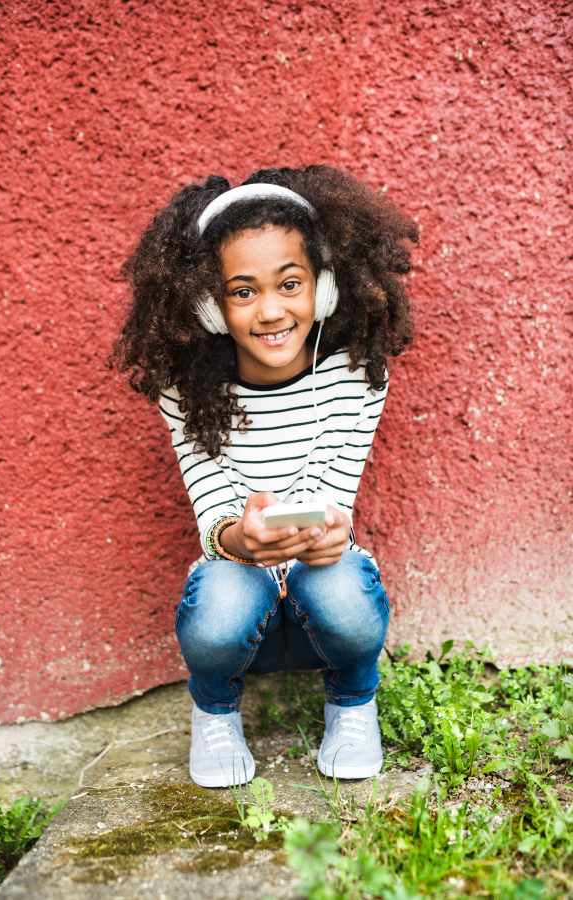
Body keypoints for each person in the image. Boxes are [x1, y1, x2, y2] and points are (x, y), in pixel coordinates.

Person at [112, 166, 418, 788]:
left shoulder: (356, 378)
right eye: (243, 291)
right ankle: (215, 712)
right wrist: (240, 541)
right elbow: (211, 506)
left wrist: (331, 533)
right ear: (209, 304)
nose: (272, 310)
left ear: (325, 290)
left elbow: (335, 493)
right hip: (241, 582)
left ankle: (354, 703)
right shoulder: (186, 392)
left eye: (291, 283)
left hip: (317, 589)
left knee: (345, 592)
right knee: (219, 602)